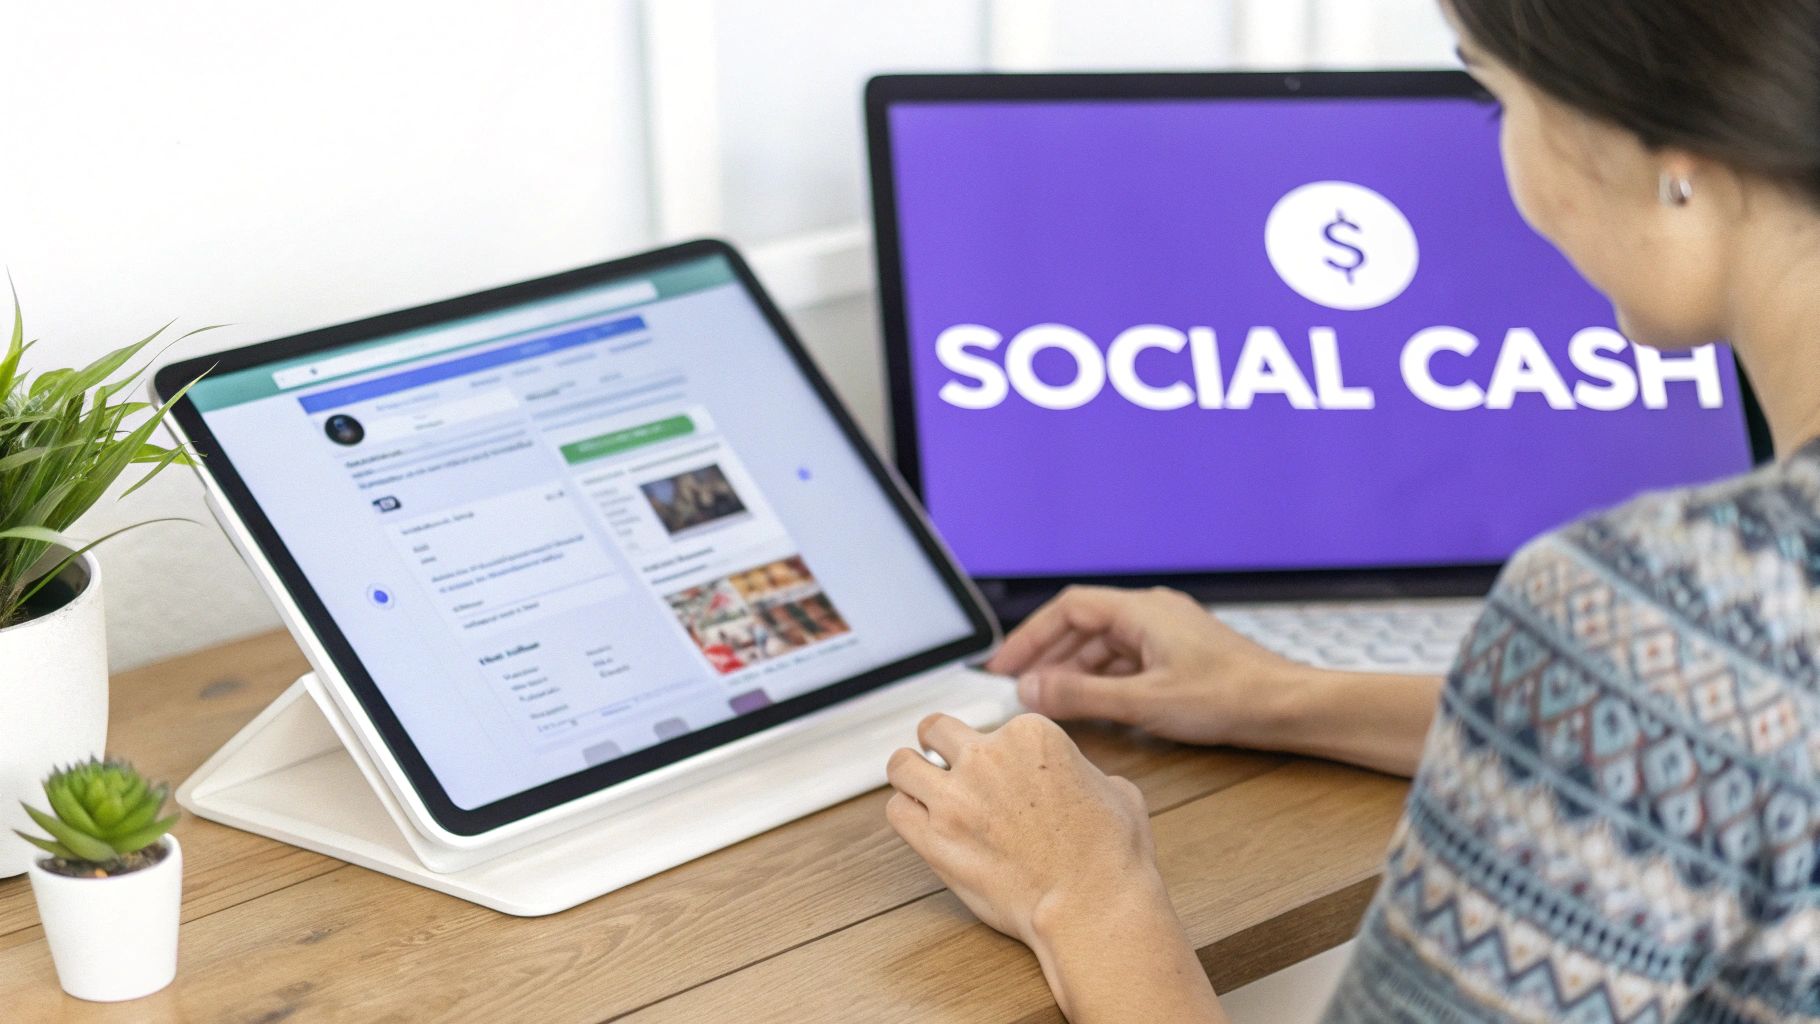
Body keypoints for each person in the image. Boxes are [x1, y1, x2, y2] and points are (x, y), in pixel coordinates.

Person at [882, 1, 1820, 1020]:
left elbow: (1670, 705)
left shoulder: (1662, 618)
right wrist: (1279, 695)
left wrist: (1086, 894)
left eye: (1492, 95)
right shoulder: (1698, 663)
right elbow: (1717, 745)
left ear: (1669, 162)